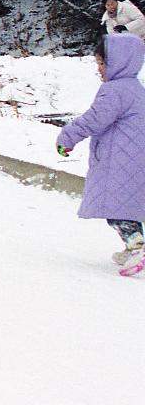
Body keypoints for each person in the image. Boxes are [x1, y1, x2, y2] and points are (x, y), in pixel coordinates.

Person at [56, 34, 145, 276]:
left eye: (103, 64)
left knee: (116, 211)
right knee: (125, 207)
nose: (99, 69)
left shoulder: (114, 91)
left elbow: (94, 120)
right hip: (132, 159)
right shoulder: (136, 89)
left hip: (119, 161)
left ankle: (137, 247)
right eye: (98, 64)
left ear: (121, 62)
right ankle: (134, 245)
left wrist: (67, 138)